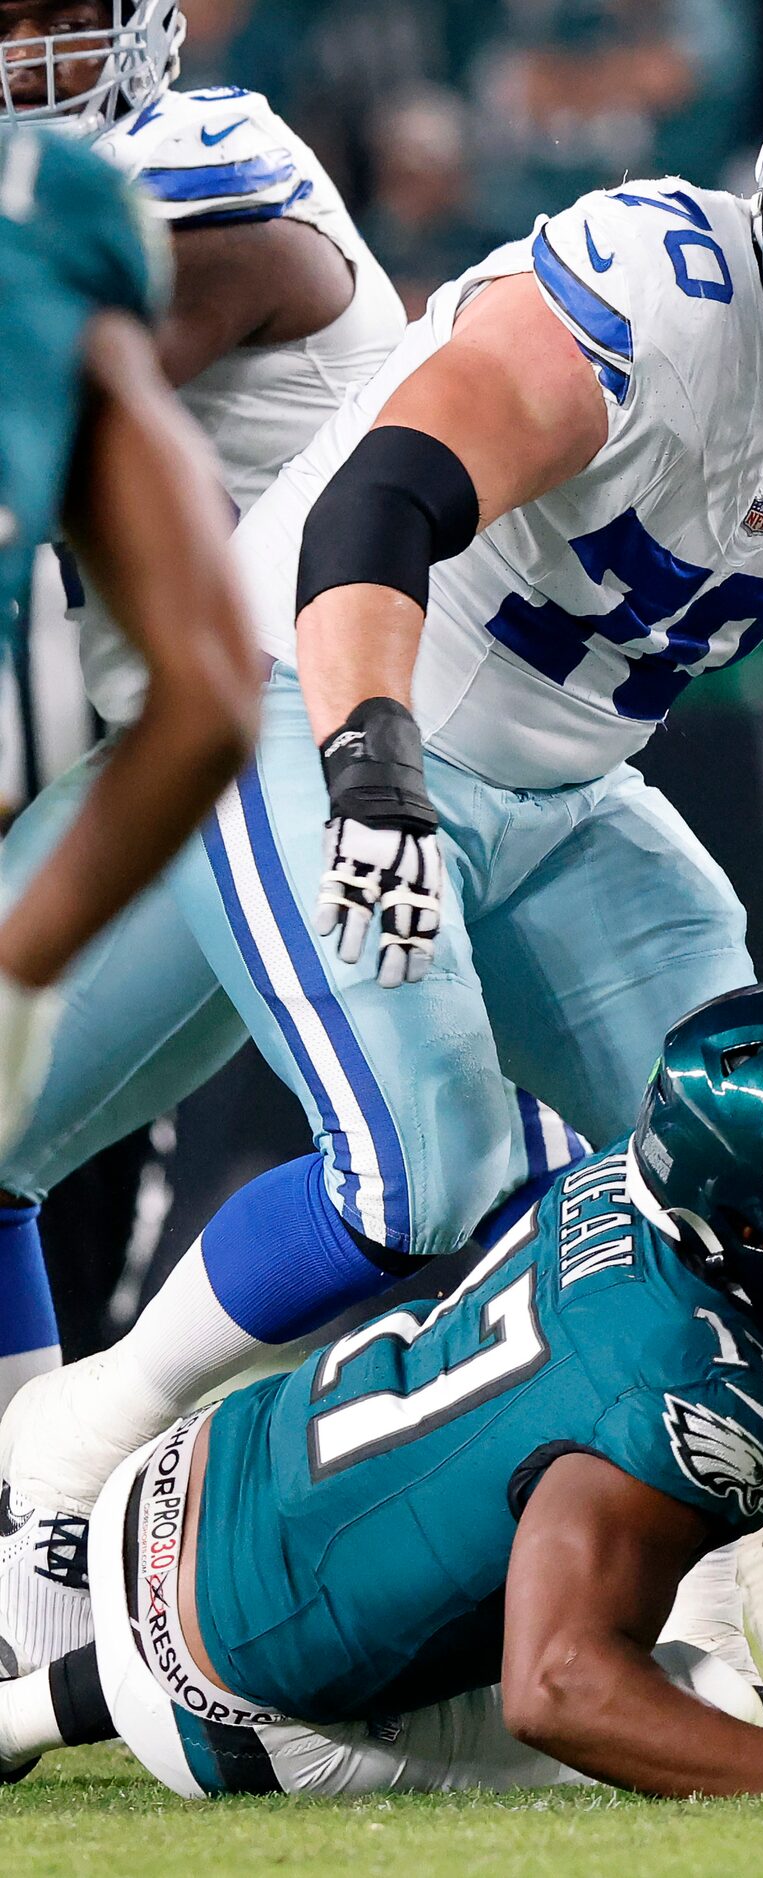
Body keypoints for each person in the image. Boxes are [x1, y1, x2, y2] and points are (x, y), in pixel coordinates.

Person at [0, 23, 763, 1693]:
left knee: (761, 1173)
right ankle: (85, 1433)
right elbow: (380, 502)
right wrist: (369, 757)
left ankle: (759, 1570)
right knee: (423, 1170)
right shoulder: (657, 284)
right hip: (322, 696)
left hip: (569, 789)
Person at [0, 982, 763, 1797]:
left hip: (196, 1480)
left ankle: (21, 1715)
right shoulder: (682, 1400)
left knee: (437, 1557)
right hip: (245, 1704)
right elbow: (560, 1689)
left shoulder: (638, 1186)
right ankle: (81, 1705)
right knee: (697, 1699)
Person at [0, 104, 259, 1352]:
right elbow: (210, 690)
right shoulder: (42, 213)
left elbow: (207, 695)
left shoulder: (51, 218)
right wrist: (15, 975)